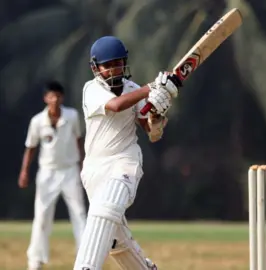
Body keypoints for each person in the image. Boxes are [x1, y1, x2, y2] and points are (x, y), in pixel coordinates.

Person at [73, 36, 181, 270]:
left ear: (124, 63)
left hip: (124, 162)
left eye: (117, 63)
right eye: (107, 65)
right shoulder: (91, 89)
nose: (113, 69)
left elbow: (151, 133)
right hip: (94, 169)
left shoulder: (133, 90)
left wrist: (158, 115)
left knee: (105, 209)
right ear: (96, 68)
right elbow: (116, 106)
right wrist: (151, 88)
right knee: (115, 241)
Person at [18, 80, 87, 270]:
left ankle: (85, 260)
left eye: (58, 96)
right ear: (45, 99)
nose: (55, 99)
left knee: (79, 214)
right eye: (51, 96)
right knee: (41, 216)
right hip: (47, 172)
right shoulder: (37, 121)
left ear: (62, 97)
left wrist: (84, 165)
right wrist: (24, 171)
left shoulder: (72, 116)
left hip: (70, 170)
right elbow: (30, 148)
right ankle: (35, 260)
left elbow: (79, 140)